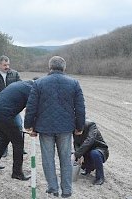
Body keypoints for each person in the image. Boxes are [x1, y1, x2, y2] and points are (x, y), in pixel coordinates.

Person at [24, 56, 85, 198]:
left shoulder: (39, 83)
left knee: (48, 159)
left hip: (45, 128)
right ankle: (67, 191)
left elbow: (31, 106)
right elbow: (80, 108)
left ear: (49, 67)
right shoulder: (74, 83)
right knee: (65, 159)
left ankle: (53, 188)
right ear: (64, 67)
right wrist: (79, 126)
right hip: (65, 128)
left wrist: (28, 125)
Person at [0, 80, 35, 181]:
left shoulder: (20, 84)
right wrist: (30, 127)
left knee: (4, 138)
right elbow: (30, 110)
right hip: (3, 115)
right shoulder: (32, 90)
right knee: (18, 142)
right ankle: (17, 173)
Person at [72, 119, 109, 185]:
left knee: (94, 153)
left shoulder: (91, 125)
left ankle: (100, 178)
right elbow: (76, 143)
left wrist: (77, 154)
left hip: (100, 150)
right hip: (87, 151)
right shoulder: (73, 128)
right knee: (74, 155)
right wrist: (79, 155)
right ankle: (87, 169)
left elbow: (89, 141)